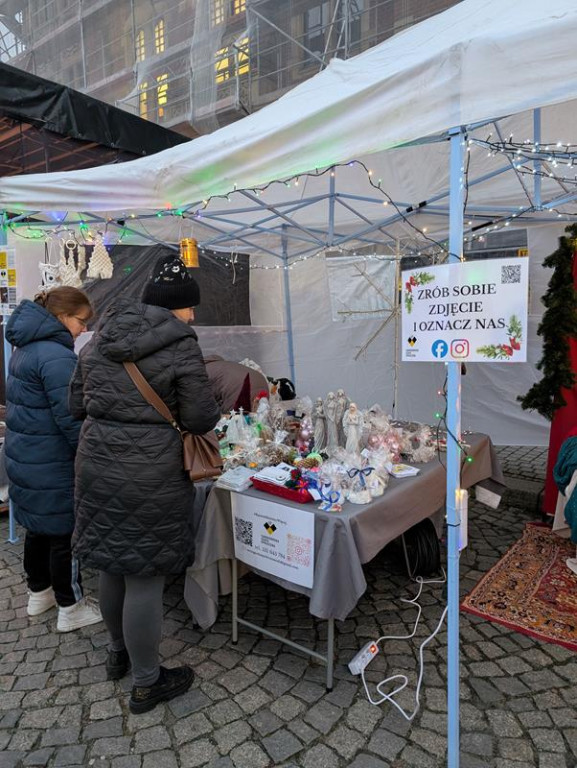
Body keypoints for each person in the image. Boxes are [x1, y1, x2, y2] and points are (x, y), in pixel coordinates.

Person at [70, 255, 220, 715]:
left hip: (96, 462)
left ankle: (117, 653)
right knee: (144, 577)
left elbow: (75, 403)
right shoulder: (181, 345)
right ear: (176, 308)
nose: (193, 315)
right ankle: (147, 683)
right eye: (190, 307)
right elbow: (199, 418)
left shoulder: (98, 340)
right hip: (150, 469)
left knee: (112, 566)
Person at [5, 287, 103, 632]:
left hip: (27, 457)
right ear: (62, 318)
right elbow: (71, 416)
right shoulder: (57, 356)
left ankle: (39, 593)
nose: (83, 330)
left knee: (38, 526)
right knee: (64, 532)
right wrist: (91, 456)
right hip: (53, 460)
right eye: (81, 321)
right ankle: (71, 605)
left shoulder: (24, 349)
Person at [203, 354, 269, 412]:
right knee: (262, 417)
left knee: (237, 422)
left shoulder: (200, 374)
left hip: (241, 389)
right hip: (261, 381)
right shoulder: (218, 364)